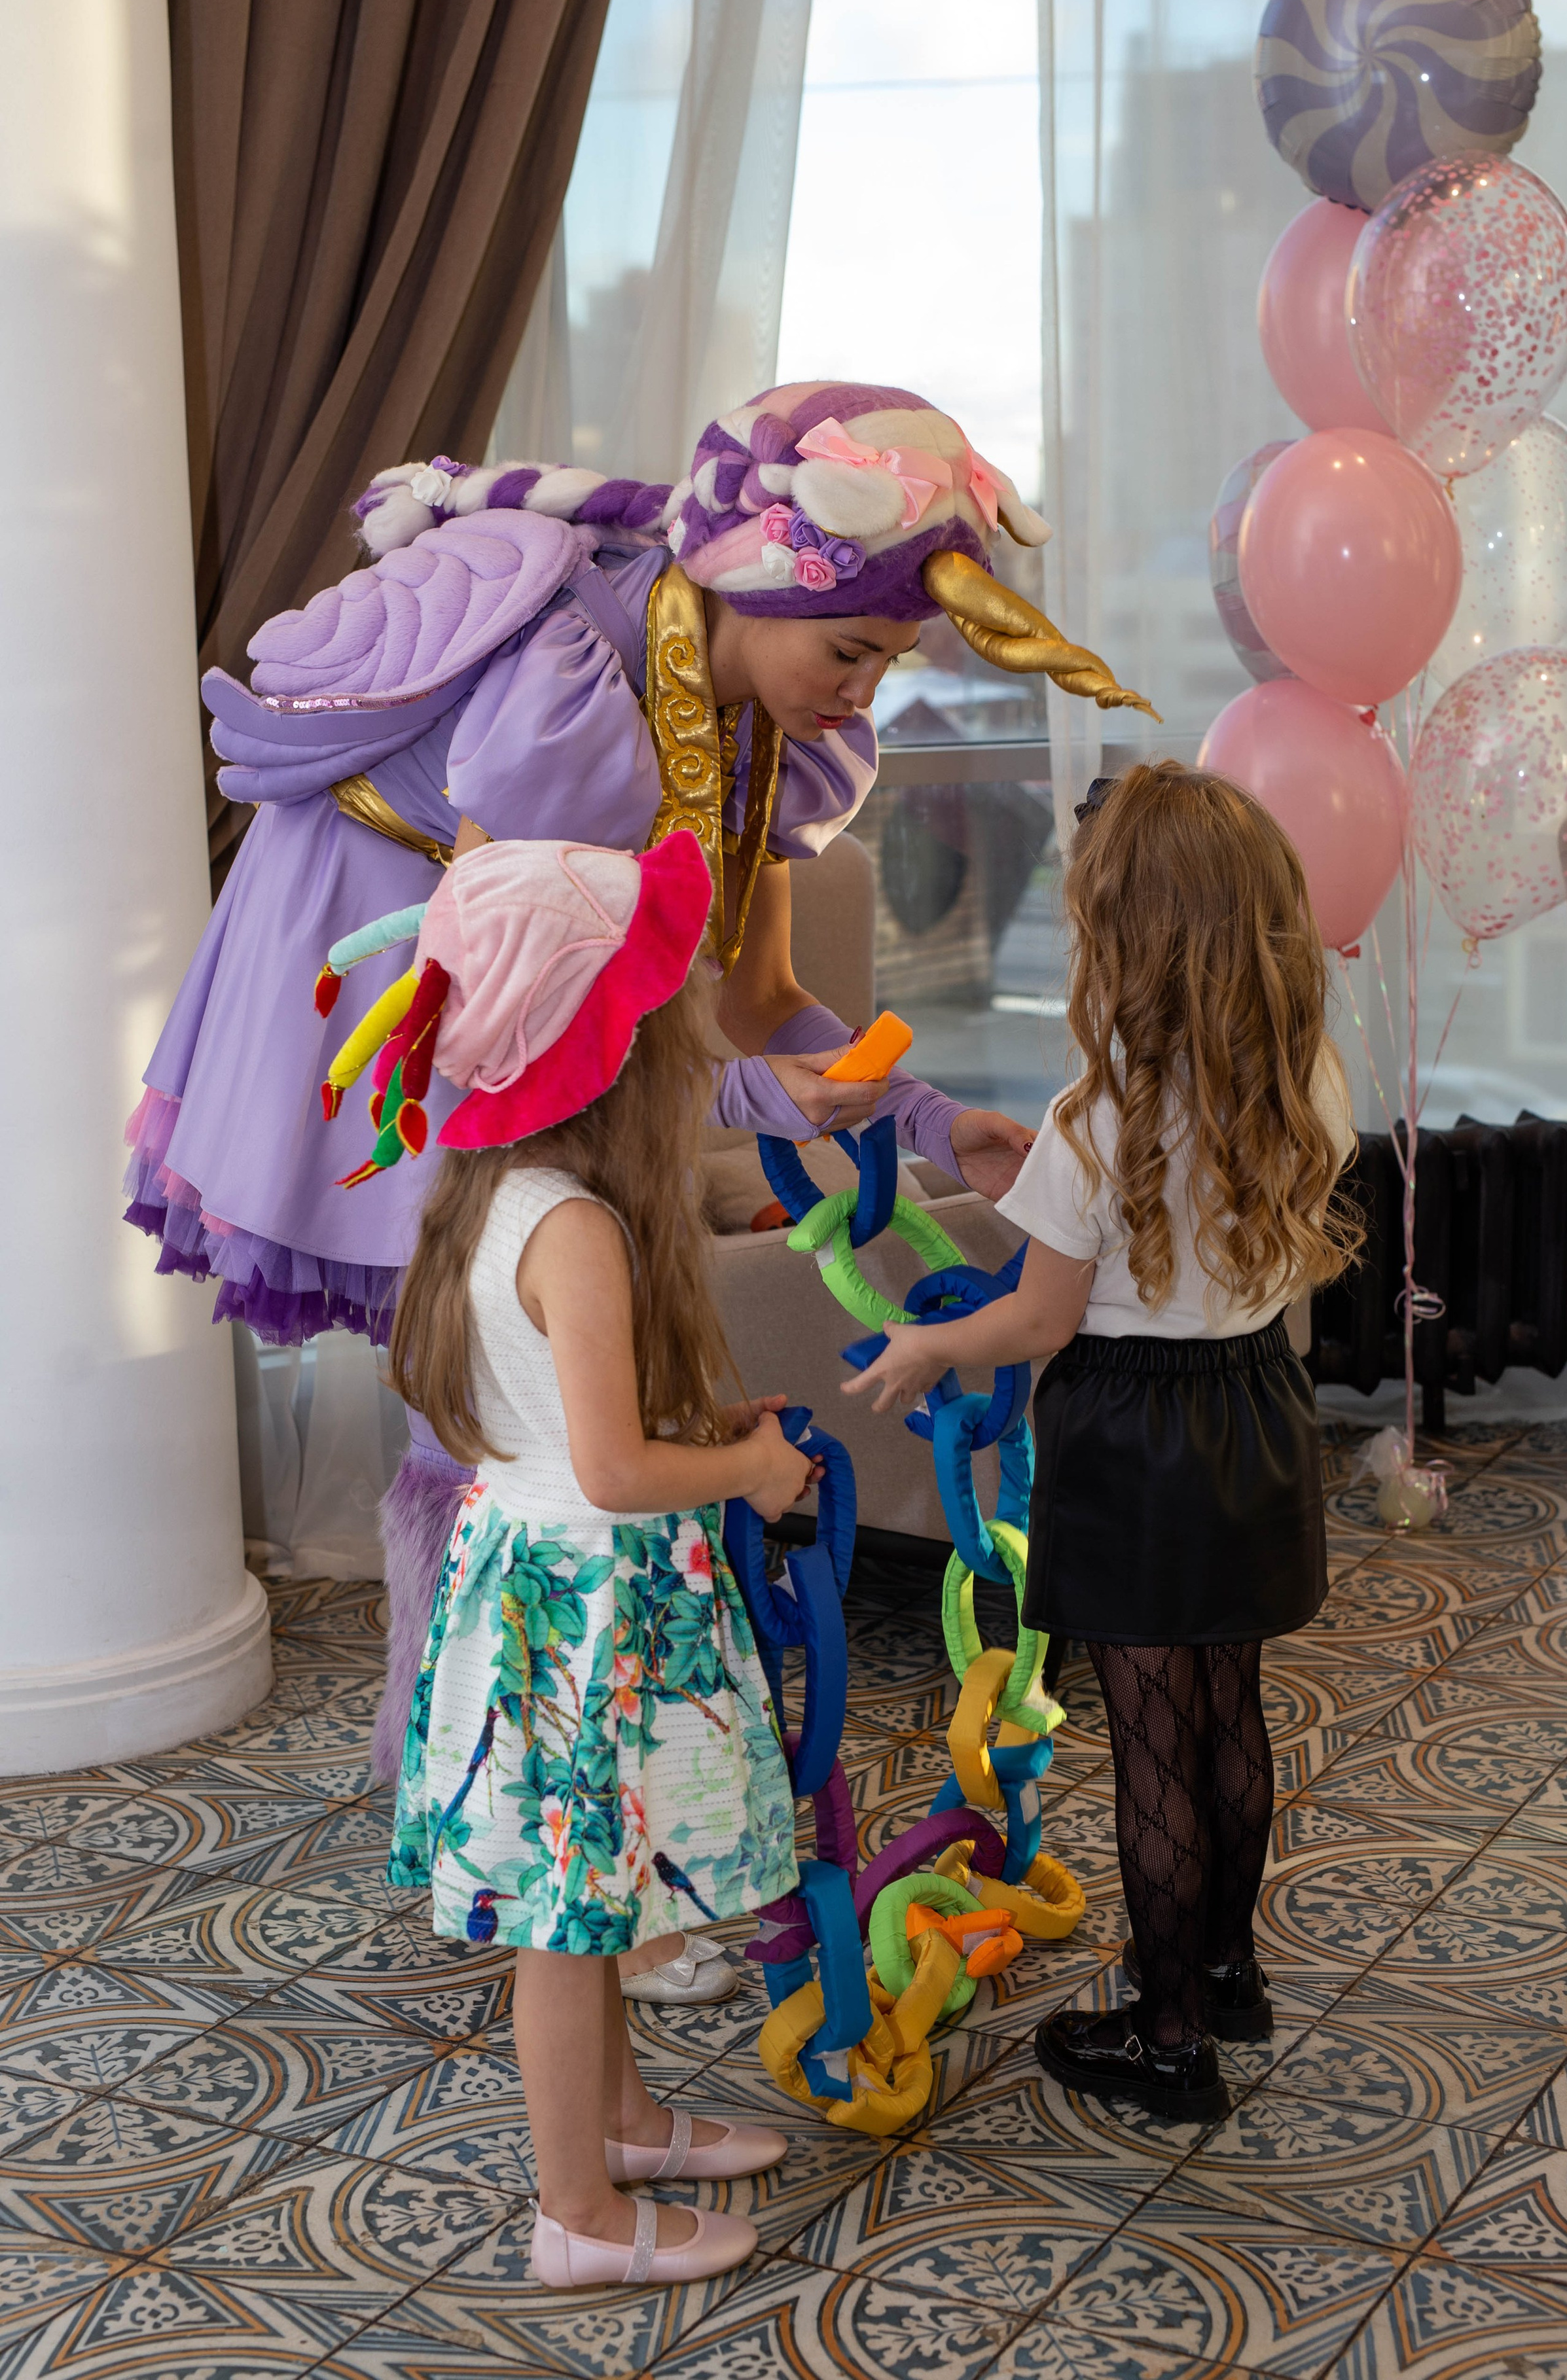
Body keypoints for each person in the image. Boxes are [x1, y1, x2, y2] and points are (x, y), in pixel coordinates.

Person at [124, 381, 1153, 1856]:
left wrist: (924, 1121)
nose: (863, 689)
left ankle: (521, 1798)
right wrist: (753, 1098)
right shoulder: (567, 682)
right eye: (848, 647)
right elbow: (520, 1014)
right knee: (496, 1426)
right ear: (744, 581)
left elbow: (758, 998)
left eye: (889, 660)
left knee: (521, 1424)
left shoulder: (758, 733)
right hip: (395, 987)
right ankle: (513, 1811)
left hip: (515, 1032)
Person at [843, 761, 1358, 2122]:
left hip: (1132, 1442)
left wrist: (921, 1345)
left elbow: (1033, 1320)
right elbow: (1176, 1237)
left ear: (1129, 936)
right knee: (1228, 1712)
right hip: (1250, 1413)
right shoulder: (1301, 1073)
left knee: (1151, 1750)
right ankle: (1230, 1975)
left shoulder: (1101, 1111)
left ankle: (1169, 2037)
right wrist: (1047, 1189)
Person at [380, 823, 812, 2287]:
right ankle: (579, 2213)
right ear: (604, 1055)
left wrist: (697, 1423)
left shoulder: (487, 1200)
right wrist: (748, 1468)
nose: (685, 1056)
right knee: (566, 1932)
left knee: (595, 1897)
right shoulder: (575, 1229)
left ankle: (620, 2121)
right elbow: (620, 1472)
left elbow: (572, 1428)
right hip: (583, 1609)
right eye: (665, 1030)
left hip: (530, 1585)